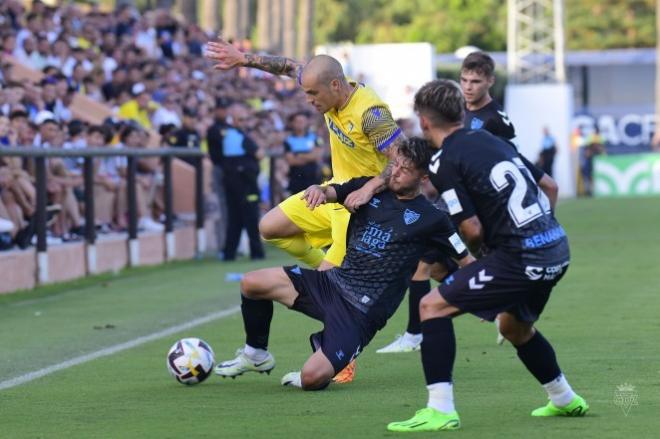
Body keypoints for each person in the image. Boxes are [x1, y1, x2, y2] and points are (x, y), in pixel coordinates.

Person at [387, 79, 588, 432]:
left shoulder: (444, 161)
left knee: (431, 307)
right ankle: (565, 399)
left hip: (521, 257)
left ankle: (440, 409)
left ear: (424, 121)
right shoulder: (490, 139)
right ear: (461, 113)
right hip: (556, 247)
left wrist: (479, 261)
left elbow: (472, 229)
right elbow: (544, 185)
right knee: (514, 326)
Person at [206, 41, 403, 383]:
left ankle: (343, 351)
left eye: (314, 94)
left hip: (363, 209)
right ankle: (324, 271)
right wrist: (243, 59)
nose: (309, 100)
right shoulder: (324, 86)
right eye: (306, 92)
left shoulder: (371, 114)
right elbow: (286, 66)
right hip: (331, 193)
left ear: (336, 86)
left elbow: (402, 162)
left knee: (333, 294)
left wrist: (368, 188)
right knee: (269, 227)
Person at [214, 138, 473, 390]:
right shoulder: (367, 190)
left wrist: (484, 297)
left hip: (360, 314)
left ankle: (325, 345)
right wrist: (317, 189)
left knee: (311, 379)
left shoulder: (433, 219)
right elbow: (331, 191)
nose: (395, 174)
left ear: (424, 177)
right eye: (396, 165)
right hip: (329, 284)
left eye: (406, 170)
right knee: (252, 283)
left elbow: (466, 261)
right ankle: (256, 353)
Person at [377, 51, 560, 353]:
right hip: (452, 206)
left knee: (423, 262)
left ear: (490, 81)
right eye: (464, 80)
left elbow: (514, 165)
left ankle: (416, 335)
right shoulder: (455, 114)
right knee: (434, 268)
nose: (469, 86)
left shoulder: (495, 122)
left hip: (469, 212)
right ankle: (499, 308)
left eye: (476, 81)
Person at [216, 102, 265, 261]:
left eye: (245, 119)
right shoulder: (239, 136)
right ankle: (256, 253)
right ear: (235, 120)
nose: (244, 123)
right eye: (241, 119)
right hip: (245, 184)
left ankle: (229, 253)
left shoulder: (230, 135)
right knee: (250, 218)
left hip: (234, 182)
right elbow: (259, 154)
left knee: (234, 219)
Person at [206, 97, 232, 258]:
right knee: (222, 208)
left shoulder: (229, 127)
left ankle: (232, 244)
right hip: (221, 170)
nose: (223, 112)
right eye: (220, 109)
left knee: (232, 208)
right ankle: (223, 245)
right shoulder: (213, 129)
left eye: (224, 109)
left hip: (233, 171)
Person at [283, 112, 321, 194]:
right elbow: (291, 161)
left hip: (313, 177)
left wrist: (299, 155)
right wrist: (309, 156)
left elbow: (316, 156)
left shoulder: (314, 137)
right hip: (296, 178)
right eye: (298, 121)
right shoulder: (288, 140)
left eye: (303, 121)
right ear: (293, 123)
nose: (300, 124)